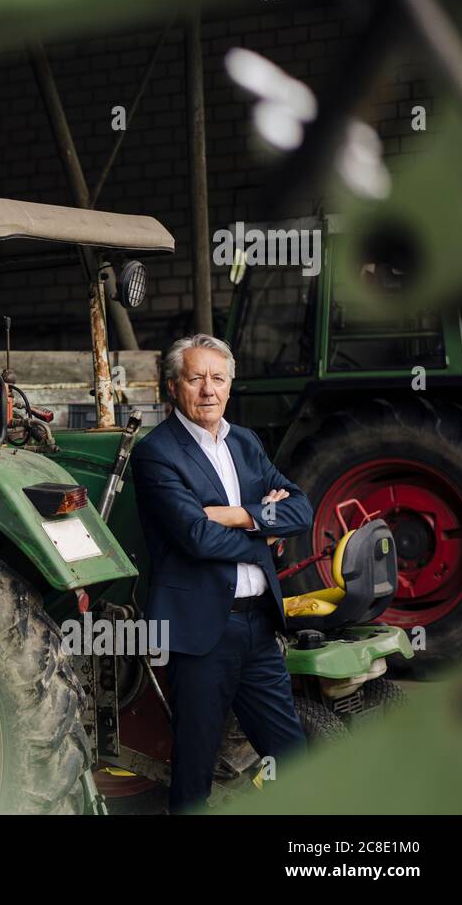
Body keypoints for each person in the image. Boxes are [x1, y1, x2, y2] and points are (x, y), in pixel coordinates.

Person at [132, 333, 312, 813]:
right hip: (201, 633)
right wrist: (264, 534)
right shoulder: (157, 453)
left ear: (230, 385)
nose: (208, 389)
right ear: (173, 387)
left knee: (294, 757)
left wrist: (236, 514)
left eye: (218, 378)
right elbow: (195, 536)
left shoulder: (247, 442)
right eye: (196, 378)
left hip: (259, 629)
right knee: (195, 769)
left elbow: (302, 509)